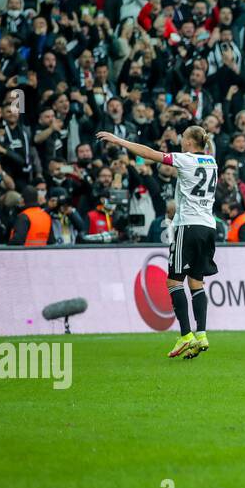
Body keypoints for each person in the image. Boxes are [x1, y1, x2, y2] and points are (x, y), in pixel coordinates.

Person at [97, 125, 218, 359]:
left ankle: (185, 335)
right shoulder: (211, 162)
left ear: (191, 143)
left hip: (188, 226)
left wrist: (118, 141)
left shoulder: (186, 159)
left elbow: (149, 154)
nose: (181, 142)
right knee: (196, 281)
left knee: (173, 281)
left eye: (183, 139)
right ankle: (201, 334)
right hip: (208, 226)